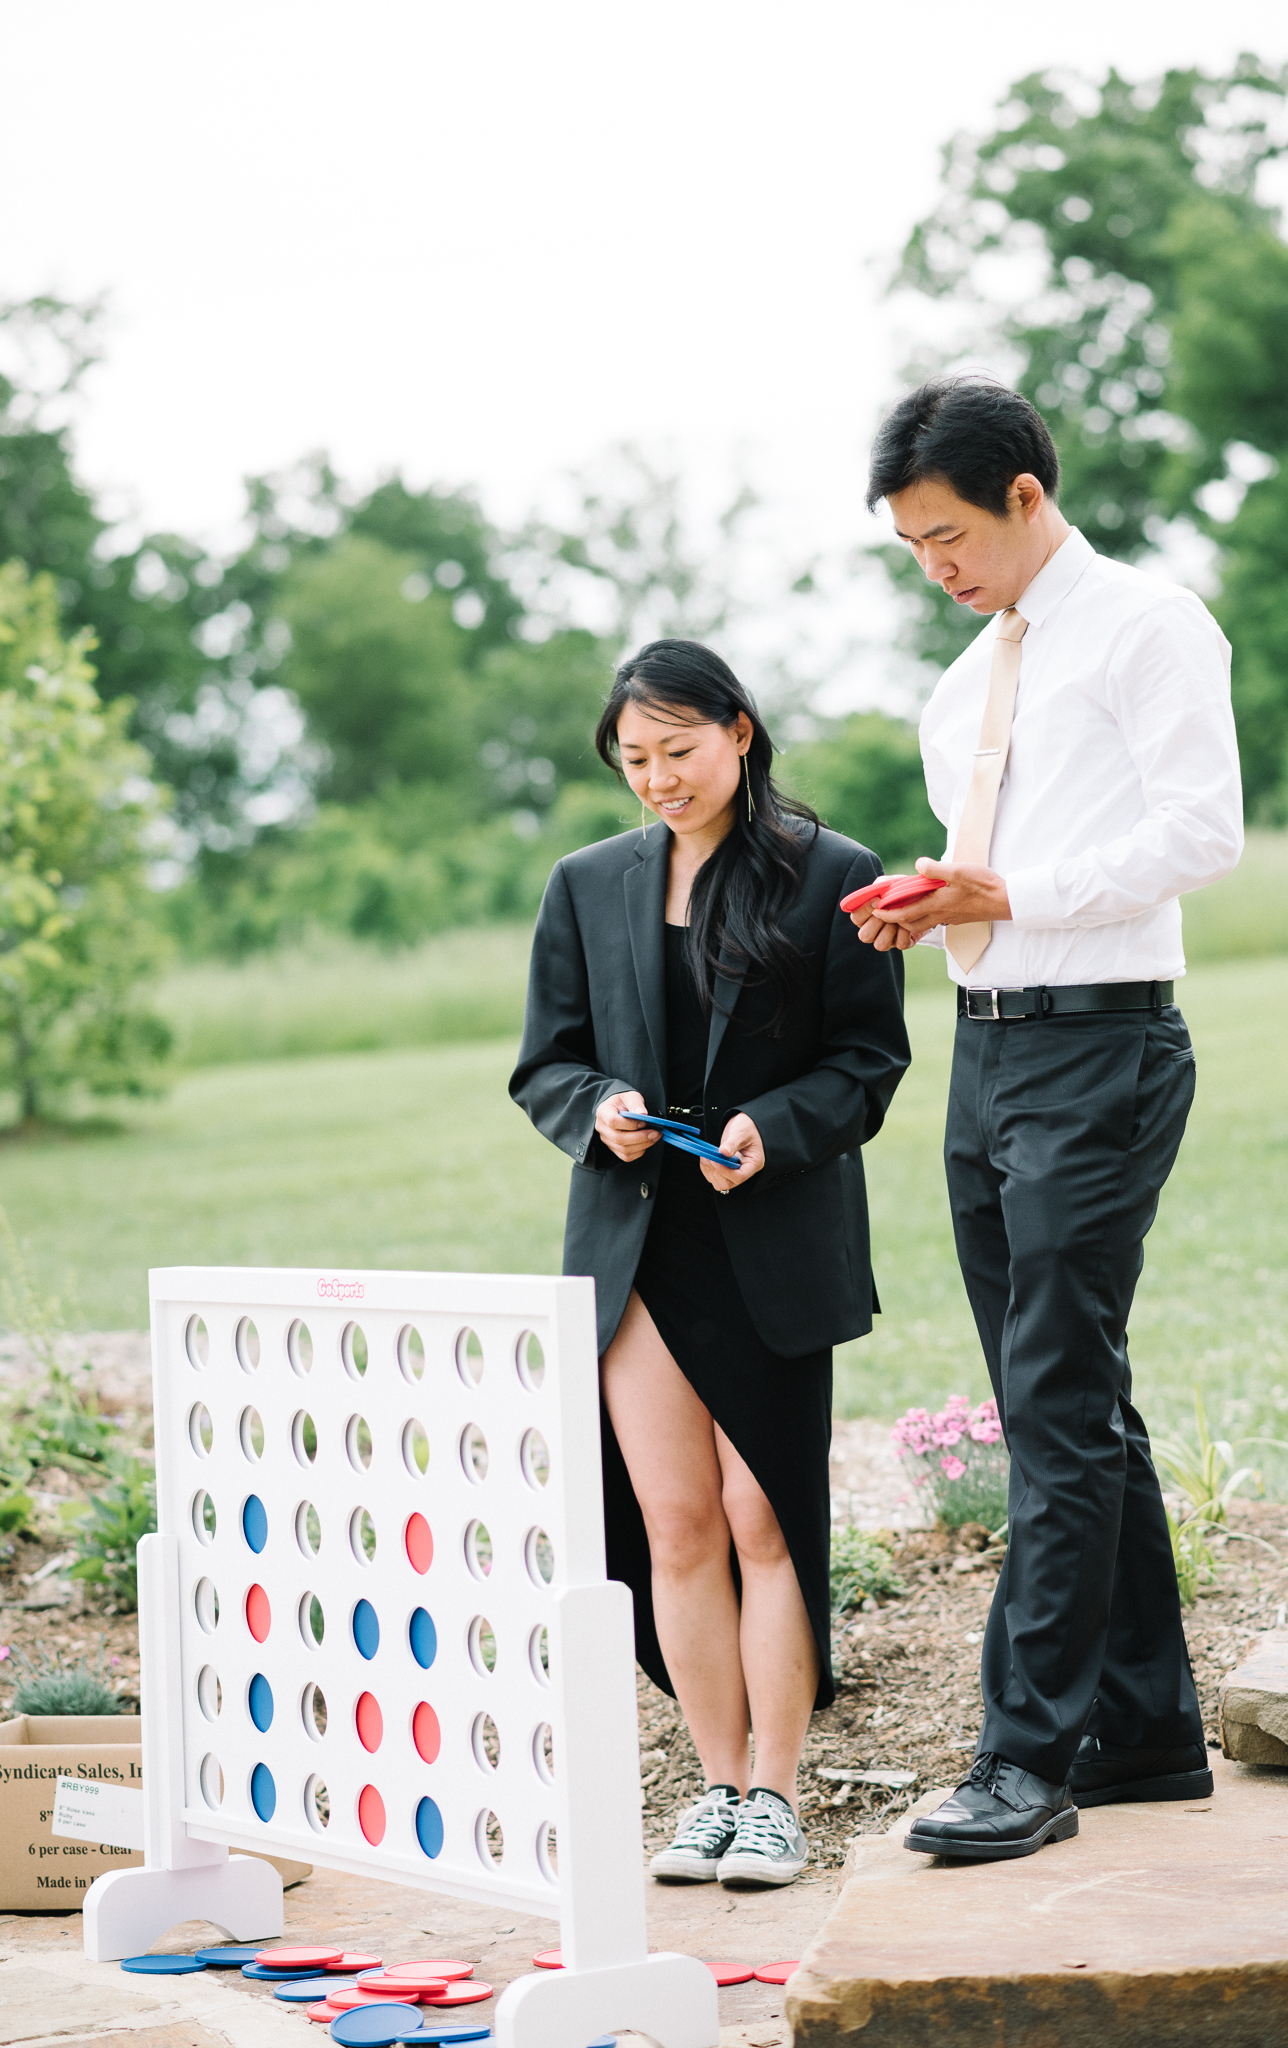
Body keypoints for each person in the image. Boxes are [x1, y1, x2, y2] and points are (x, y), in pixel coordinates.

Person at [854, 378, 1243, 1864]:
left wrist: (1004, 891)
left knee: (1055, 1405)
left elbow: (1198, 834)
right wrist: (934, 896)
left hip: (1102, 1048)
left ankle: (1023, 1760)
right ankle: (1142, 1731)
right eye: (908, 546)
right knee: (1058, 1398)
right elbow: (1000, 860)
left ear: (1023, 493)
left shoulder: (1148, 625)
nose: (935, 567)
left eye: (947, 534)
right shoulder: (960, 688)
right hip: (987, 1047)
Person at [510, 638, 910, 1887]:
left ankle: (781, 1795)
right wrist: (603, 1106)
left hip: (770, 1238)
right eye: (633, 758)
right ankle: (715, 1785)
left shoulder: (828, 873)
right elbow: (546, 1065)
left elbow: (866, 1063)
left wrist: (769, 1128)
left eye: (677, 749)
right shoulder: (583, 884)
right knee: (673, 1524)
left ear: (738, 730)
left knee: (762, 1518)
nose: (657, 778)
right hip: (634, 1247)